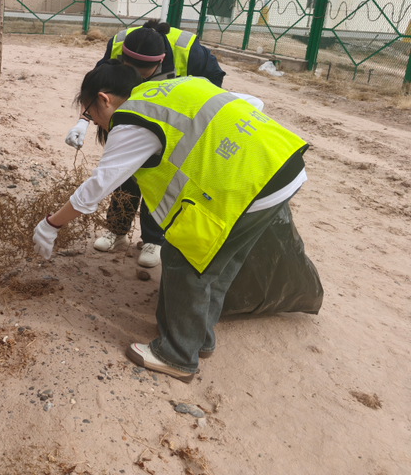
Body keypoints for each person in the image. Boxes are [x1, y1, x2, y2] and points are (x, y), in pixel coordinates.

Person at [35, 61, 310, 383]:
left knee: (186, 261)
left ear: (104, 99)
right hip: (282, 165)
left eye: (90, 115)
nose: (95, 122)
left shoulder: (133, 121)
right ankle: (200, 338)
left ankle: (177, 355)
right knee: (220, 266)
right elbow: (252, 103)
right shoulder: (171, 88)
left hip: (247, 188)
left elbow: (96, 187)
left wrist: (50, 224)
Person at [64, 21, 227, 269]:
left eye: (144, 73)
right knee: (123, 172)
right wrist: (83, 122)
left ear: (160, 61)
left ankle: (153, 240)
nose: (136, 78)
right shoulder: (118, 44)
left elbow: (214, 80)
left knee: (158, 178)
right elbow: (97, 87)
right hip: (129, 116)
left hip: (168, 123)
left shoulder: (190, 52)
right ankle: (117, 231)